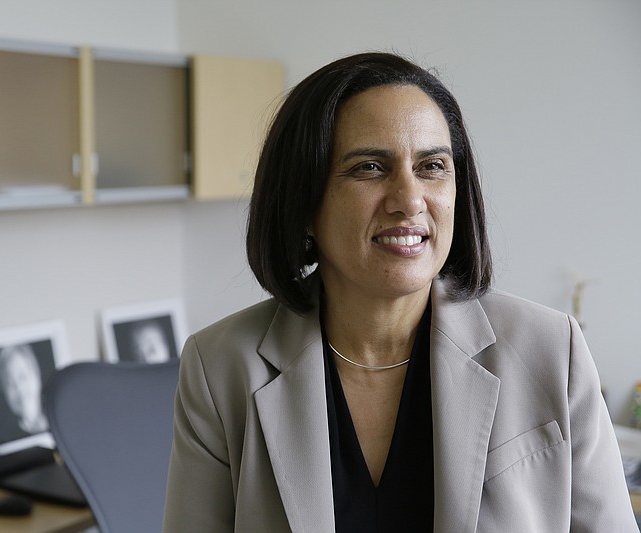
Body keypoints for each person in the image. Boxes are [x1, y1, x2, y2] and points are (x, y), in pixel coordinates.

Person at [163, 52, 637, 531]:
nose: (410, 200)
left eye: (432, 166)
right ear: (303, 201)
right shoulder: (220, 367)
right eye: (370, 167)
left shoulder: (552, 349)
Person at [0, 343, 48, 435]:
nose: (19, 388)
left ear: (36, 374)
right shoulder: (3, 440)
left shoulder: (61, 417)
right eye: (9, 382)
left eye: (22, 377)